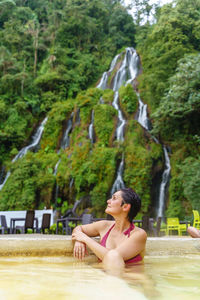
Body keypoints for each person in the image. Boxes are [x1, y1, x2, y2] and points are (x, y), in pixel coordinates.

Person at [72, 188, 147, 271]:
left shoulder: (139, 234)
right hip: (106, 278)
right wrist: (79, 241)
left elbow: (112, 257)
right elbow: (78, 228)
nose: (108, 201)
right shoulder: (104, 226)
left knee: (113, 255)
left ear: (125, 207)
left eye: (114, 198)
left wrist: (85, 239)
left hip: (131, 281)